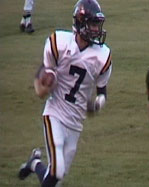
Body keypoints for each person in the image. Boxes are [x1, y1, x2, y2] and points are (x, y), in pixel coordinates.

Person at [18, 0, 112, 186]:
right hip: (55, 114)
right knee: (57, 170)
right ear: (80, 22)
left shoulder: (102, 56)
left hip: (76, 123)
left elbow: (102, 91)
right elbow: (44, 77)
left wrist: (97, 104)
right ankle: (35, 163)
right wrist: (45, 82)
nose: (96, 29)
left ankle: (34, 163)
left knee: (56, 178)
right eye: (92, 24)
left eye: (97, 24)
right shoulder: (59, 43)